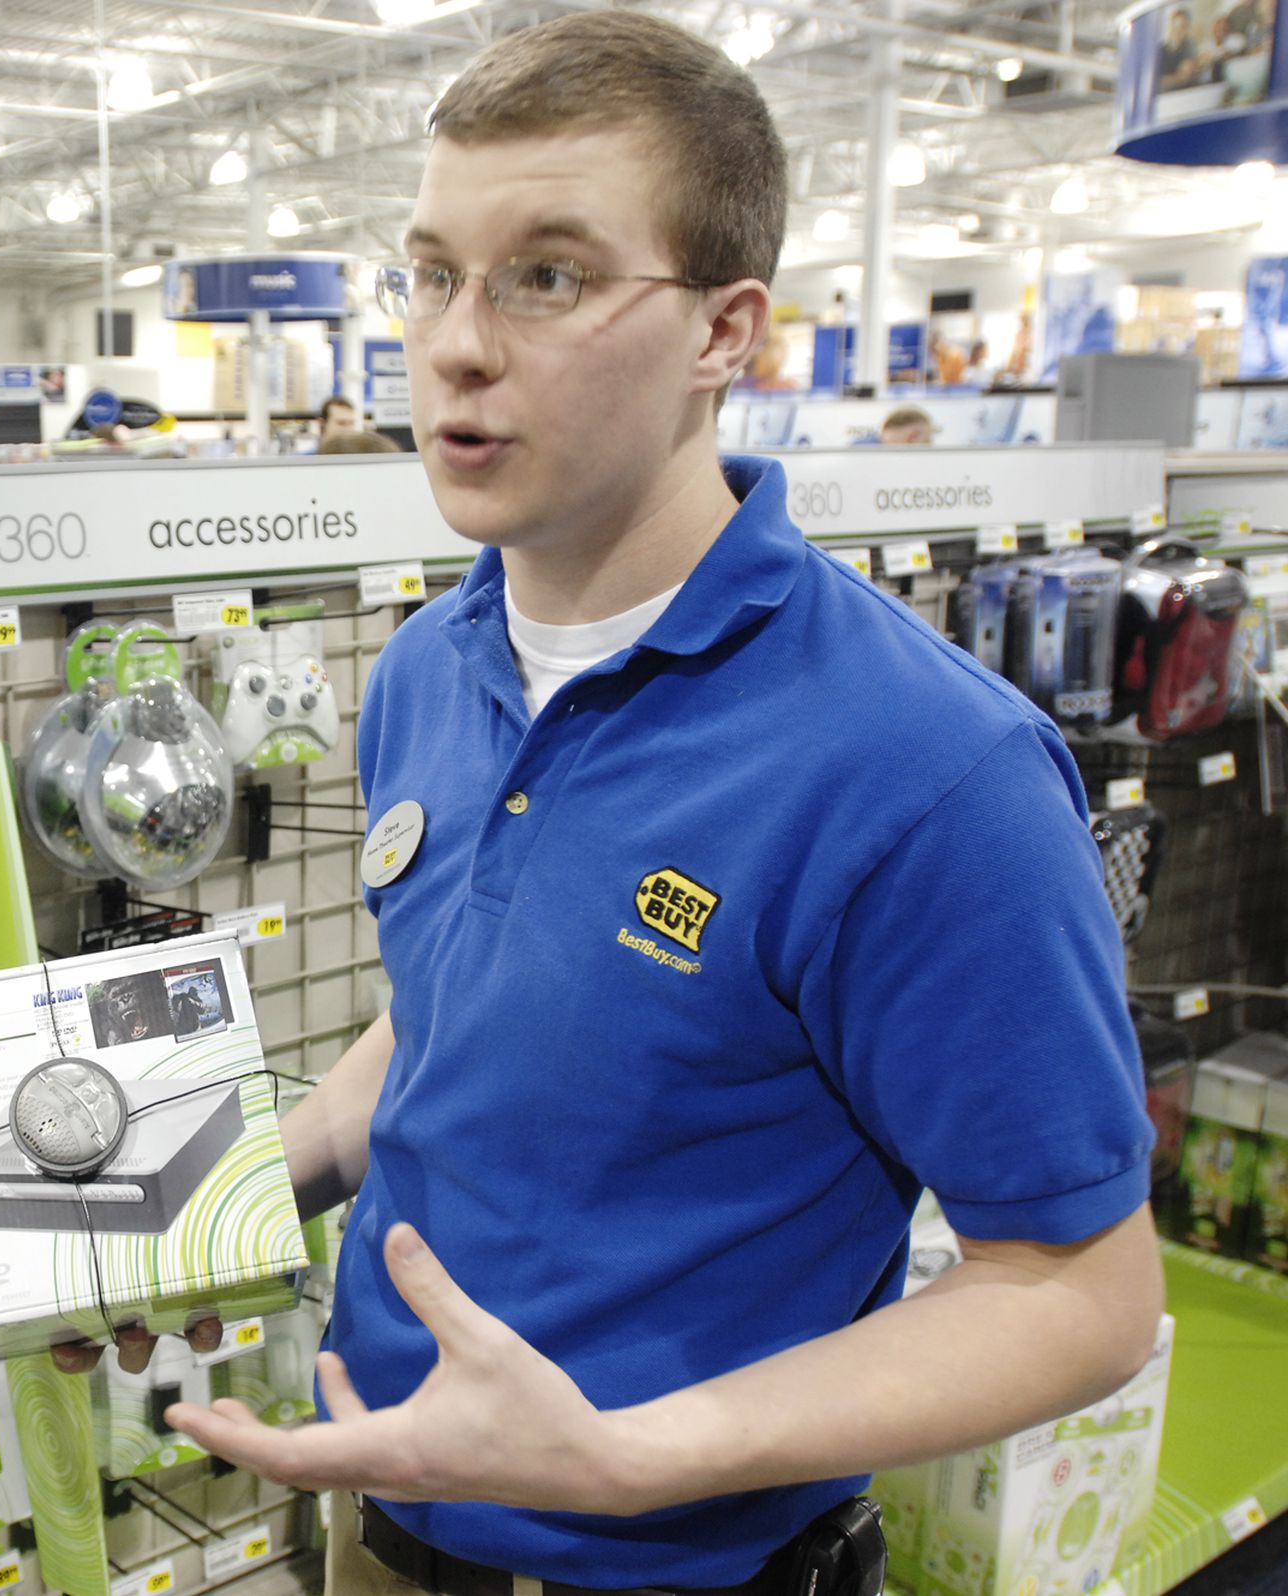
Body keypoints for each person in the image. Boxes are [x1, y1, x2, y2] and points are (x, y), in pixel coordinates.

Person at [58, 13, 1162, 1596]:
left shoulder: (927, 775)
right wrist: (233, 1192)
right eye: (433, 272)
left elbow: (1078, 1293)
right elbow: (459, 1009)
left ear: (726, 333)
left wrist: (631, 1458)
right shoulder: (427, 671)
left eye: (549, 277)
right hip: (379, 1527)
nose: (455, 342)